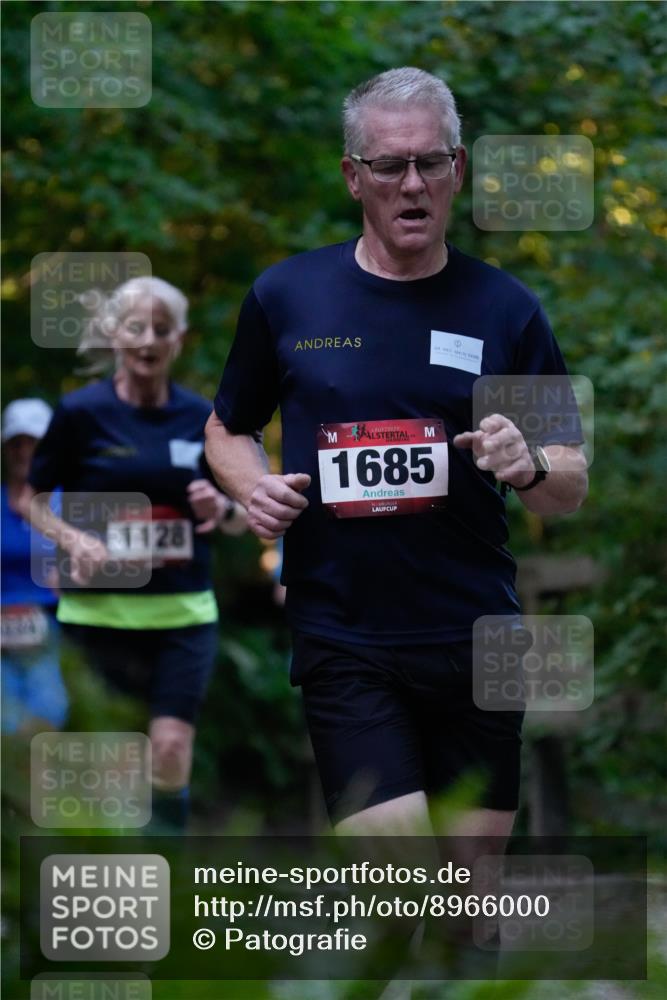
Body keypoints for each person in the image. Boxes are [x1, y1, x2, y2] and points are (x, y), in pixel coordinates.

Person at [205, 67, 588, 842]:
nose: (412, 184)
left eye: (431, 163)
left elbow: (568, 483)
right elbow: (226, 428)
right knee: (397, 883)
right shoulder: (286, 297)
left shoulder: (506, 309)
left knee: (467, 918)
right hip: (344, 637)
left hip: (477, 638)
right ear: (354, 177)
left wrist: (530, 464)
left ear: (458, 171)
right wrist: (254, 488)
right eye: (389, 165)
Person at [24, 276, 246, 832]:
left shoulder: (204, 418)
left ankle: (166, 876)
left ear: (180, 339)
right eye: (136, 327)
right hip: (97, 616)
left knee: (169, 746)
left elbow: (245, 515)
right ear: (114, 335)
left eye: (162, 329)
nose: (149, 339)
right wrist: (73, 538)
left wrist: (216, 509)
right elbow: (30, 499)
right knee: (107, 759)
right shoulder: (80, 413)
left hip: (182, 615)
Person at [1, 398, 68, 735]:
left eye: (34, 443)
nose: (24, 451)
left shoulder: (66, 503)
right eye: (17, 443)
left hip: (51, 623)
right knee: (5, 716)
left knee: (48, 707)